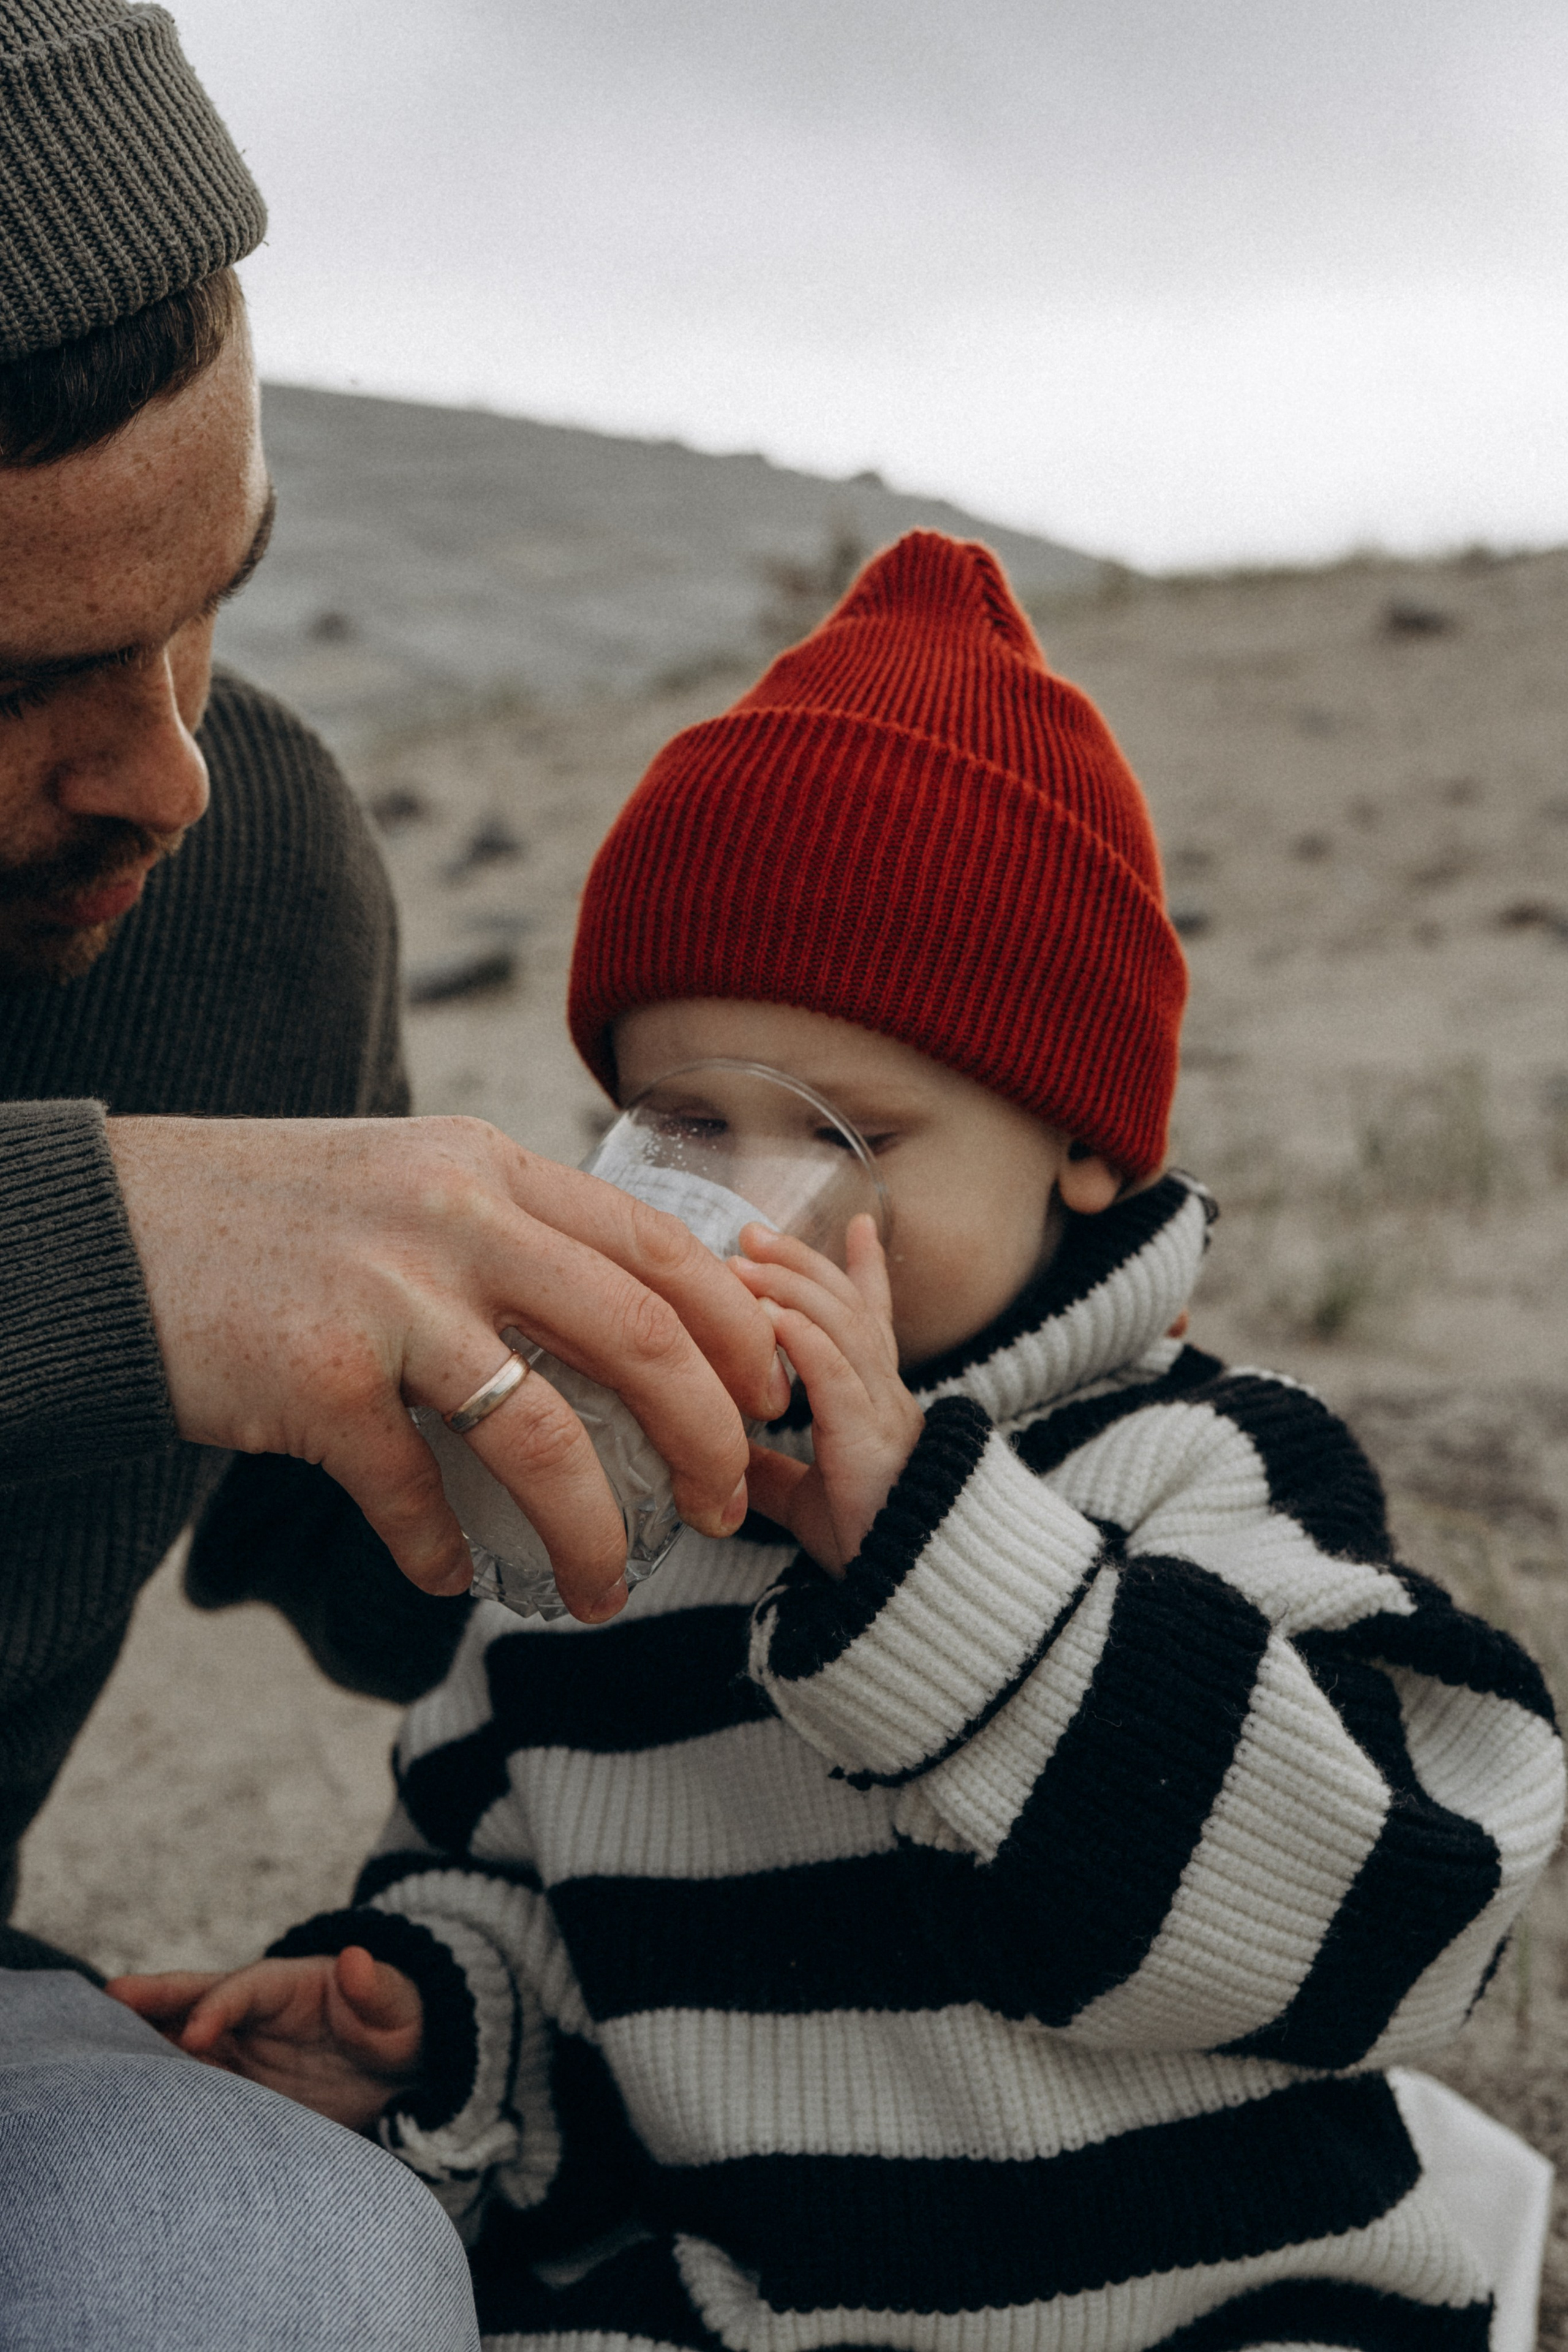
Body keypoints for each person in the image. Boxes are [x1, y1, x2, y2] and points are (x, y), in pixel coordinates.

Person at [115, 534, 1567, 2351]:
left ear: (1084, 1146)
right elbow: (530, 1907)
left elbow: (1414, 1906)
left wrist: (948, 1581)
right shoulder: (596, 1532)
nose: (755, 1215)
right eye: (683, 1127)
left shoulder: (1192, 1471)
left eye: (849, 1137)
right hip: (773, 2305)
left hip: (1213, 2298)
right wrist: (439, 2015)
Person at [0, 5, 783, 2345]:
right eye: (20, 684)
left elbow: (402, 1587)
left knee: (278, 2283)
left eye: (210, 598)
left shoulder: (236, 897)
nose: (168, 774)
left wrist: (693, 1423)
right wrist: (97, 1242)